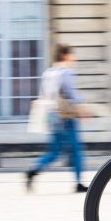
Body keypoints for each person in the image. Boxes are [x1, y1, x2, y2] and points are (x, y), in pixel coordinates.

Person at [26, 43, 90, 193]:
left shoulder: (49, 73)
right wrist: (83, 111)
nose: (74, 58)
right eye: (72, 54)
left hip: (53, 117)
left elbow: (44, 95)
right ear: (65, 55)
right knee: (76, 150)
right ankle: (79, 183)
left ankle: (33, 170)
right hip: (66, 117)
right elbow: (72, 95)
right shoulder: (65, 72)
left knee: (54, 152)